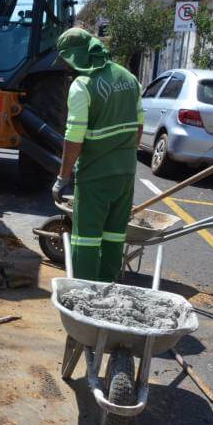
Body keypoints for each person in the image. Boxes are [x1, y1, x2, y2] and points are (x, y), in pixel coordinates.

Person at [51, 27, 144, 282]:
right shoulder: (129, 78)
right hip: (125, 173)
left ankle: (83, 295)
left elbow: (74, 137)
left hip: (95, 175)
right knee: (115, 235)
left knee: (86, 238)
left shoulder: (82, 86)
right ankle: (109, 289)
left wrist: (63, 177)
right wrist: (122, 154)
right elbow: (139, 127)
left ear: (76, 56)